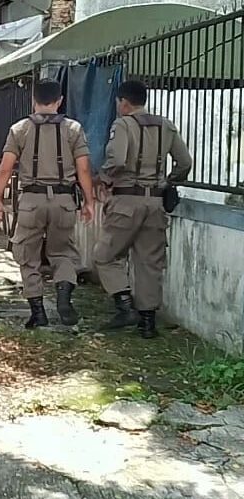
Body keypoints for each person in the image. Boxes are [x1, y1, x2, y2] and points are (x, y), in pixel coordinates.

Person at [0, 79, 95, 329]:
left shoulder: (19, 129)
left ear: (33, 100)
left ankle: (37, 313)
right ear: (59, 101)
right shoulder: (74, 129)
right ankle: (63, 296)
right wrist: (89, 201)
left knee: (28, 257)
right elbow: (83, 169)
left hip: (30, 201)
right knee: (64, 252)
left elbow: (5, 168)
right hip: (64, 200)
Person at [94, 80, 192, 338]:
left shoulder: (123, 124)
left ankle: (125, 305)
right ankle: (147, 324)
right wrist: (168, 181)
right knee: (149, 263)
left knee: (105, 255)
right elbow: (185, 162)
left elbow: (116, 159)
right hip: (156, 203)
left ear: (123, 102)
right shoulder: (166, 125)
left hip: (127, 200)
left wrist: (103, 178)